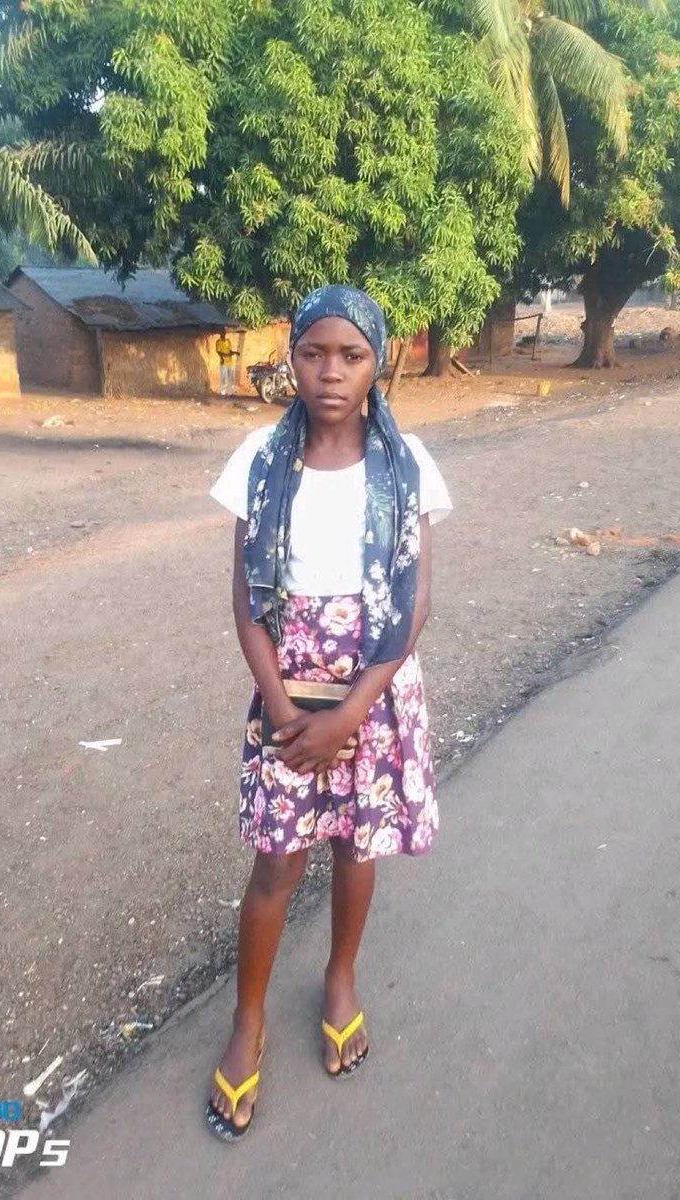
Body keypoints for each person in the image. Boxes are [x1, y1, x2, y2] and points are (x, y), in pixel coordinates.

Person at [206, 285, 452, 1141]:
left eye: (350, 355)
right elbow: (244, 597)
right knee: (277, 861)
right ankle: (248, 1022)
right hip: (288, 686)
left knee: (355, 842)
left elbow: (415, 597)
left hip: (374, 689)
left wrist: (353, 713)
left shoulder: (410, 463)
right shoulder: (259, 462)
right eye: (314, 353)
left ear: (378, 361)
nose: (331, 372)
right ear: (293, 358)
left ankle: (340, 977)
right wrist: (280, 707)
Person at [215, 329, 238, 395]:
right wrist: (222, 358)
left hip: (230, 361)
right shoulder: (218, 342)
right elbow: (219, 352)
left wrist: (235, 352)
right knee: (223, 377)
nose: (223, 334)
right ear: (220, 334)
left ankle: (231, 392)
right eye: (222, 333)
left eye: (224, 333)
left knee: (231, 377)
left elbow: (230, 351)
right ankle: (223, 392)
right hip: (224, 362)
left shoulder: (228, 341)